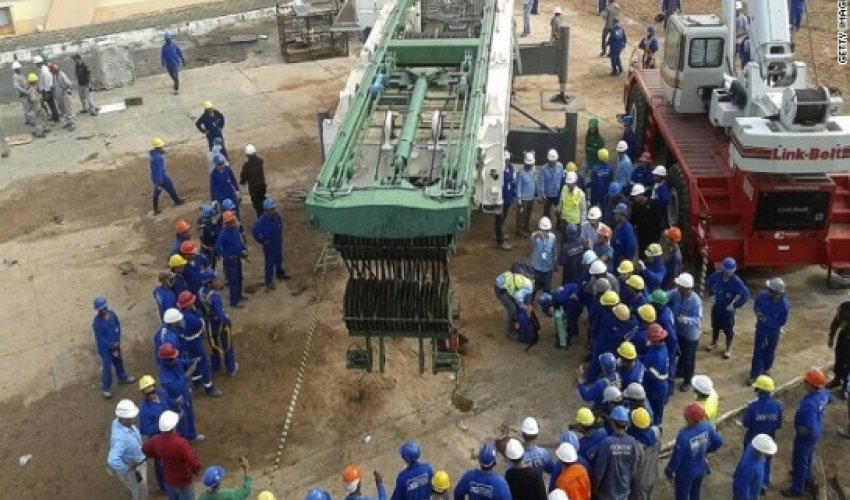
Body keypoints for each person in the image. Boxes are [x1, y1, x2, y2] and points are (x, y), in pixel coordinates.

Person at [781, 368, 832, 497]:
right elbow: (830, 400)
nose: (804, 382)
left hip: (807, 435)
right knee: (807, 456)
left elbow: (807, 427)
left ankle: (797, 489)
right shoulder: (823, 393)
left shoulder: (809, 403)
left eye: (806, 381)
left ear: (811, 385)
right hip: (817, 428)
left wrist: (800, 430)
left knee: (800, 459)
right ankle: (806, 476)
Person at [665, 403, 724, 500]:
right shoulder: (707, 427)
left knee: (682, 496)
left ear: (690, 418)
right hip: (700, 468)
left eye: (686, 413)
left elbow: (677, 458)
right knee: (695, 493)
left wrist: (669, 470)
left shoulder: (683, 436)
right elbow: (719, 441)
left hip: (685, 473)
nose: (684, 414)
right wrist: (705, 451)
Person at [142, 410, 202, 499]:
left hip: (168, 480)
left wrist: (157, 458)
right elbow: (193, 462)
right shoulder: (181, 443)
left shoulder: (155, 440)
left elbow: (145, 449)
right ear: (174, 426)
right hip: (183, 482)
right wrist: (194, 470)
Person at [177, 291, 222, 397]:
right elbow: (201, 324)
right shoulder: (192, 319)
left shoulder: (178, 316)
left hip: (184, 344)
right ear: (189, 305)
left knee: (191, 362)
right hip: (195, 343)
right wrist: (196, 312)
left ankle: (196, 381)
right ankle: (209, 389)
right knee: (203, 365)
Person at [589, 405, 640, 499]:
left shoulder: (606, 443)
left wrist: (594, 487)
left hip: (607, 493)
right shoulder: (633, 442)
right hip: (624, 491)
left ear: (612, 423)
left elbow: (600, 470)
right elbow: (633, 467)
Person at [742, 375, 783, 493]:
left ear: (758, 390)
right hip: (769, 440)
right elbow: (778, 425)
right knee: (766, 462)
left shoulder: (753, 407)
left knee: (750, 462)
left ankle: (751, 484)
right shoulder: (777, 407)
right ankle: (763, 483)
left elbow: (746, 424)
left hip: (752, 441)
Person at [157, 342, 204, 443]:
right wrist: (188, 373)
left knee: (190, 416)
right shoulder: (164, 375)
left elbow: (183, 363)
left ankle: (192, 436)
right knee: (182, 422)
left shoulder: (175, 361)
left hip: (185, 394)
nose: (176, 358)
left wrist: (192, 361)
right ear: (167, 360)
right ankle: (183, 442)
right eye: (173, 357)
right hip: (176, 401)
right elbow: (176, 387)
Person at [705, 257, 750, 359]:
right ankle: (714, 342)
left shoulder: (736, 282)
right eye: (726, 271)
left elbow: (745, 295)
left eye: (729, 272)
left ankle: (728, 348)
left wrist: (735, 305)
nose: (727, 273)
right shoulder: (717, 275)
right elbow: (710, 282)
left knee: (728, 330)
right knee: (715, 326)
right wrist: (712, 294)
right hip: (717, 307)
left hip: (727, 310)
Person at [92, 296, 135, 398]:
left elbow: (118, 326)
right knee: (107, 367)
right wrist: (111, 345)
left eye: (104, 308)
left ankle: (122, 377)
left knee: (119, 361)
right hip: (105, 349)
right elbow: (100, 339)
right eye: (101, 309)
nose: (103, 310)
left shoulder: (112, 314)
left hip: (116, 344)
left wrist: (117, 341)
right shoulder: (97, 323)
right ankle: (105, 388)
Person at [749, 278, 790, 384]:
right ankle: (754, 374)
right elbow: (756, 306)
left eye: (771, 290)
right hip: (761, 329)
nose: (769, 291)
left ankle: (766, 368)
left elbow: (782, 320)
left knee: (770, 350)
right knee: (758, 350)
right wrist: (758, 313)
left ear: (777, 292)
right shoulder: (762, 296)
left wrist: (769, 323)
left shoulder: (784, 305)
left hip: (773, 331)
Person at [138, 375, 173, 494]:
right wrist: (161, 423)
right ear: (143, 393)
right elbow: (146, 431)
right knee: (161, 464)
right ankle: (163, 487)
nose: (152, 394)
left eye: (153, 390)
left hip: (171, 431)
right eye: (148, 393)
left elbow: (169, 404)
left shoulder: (162, 394)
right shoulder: (143, 410)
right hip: (159, 438)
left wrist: (176, 404)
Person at [199, 270, 239, 376]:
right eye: (214, 280)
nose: (217, 282)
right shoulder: (214, 296)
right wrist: (228, 322)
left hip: (209, 323)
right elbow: (220, 315)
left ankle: (215, 368)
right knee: (227, 344)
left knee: (213, 345)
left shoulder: (200, 292)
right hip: (220, 323)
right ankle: (231, 368)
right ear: (209, 283)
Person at [668, 273, 702, 392]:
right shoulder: (676, 293)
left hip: (690, 335)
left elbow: (698, 319)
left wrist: (686, 320)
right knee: (680, 354)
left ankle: (688, 381)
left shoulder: (695, 301)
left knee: (689, 358)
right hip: (678, 331)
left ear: (686, 289)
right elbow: (666, 297)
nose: (677, 287)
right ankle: (680, 372)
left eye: (679, 286)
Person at [108, 399, 148, 500]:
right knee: (140, 492)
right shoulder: (121, 438)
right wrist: (126, 468)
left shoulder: (117, 422)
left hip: (137, 461)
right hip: (134, 470)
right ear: (124, 419)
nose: (135, 417)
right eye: (132, 416)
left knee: (136, 488)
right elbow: (112, 460)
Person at [252, 198, 289, 290]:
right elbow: (254, 232)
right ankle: (268, 281)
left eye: (274, 208)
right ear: (266, 211)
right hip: (269, 246)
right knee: (269, 263)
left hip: (277, 242)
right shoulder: (261, 222)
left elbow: (280, 225)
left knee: (279, 259)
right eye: (272, 209)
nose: (274, 211)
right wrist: (262, 241)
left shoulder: (276, 216)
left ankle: (279, 273)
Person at [215, 211, 248, 308]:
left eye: (233, 221)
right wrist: (227, 257)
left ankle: (239, 295)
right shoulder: (223, 234)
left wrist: (243, 250)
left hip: (238, 258)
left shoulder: (235, 229)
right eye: (230, 222)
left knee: (239, 277)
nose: (232, 223)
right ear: (226, 223)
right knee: (233, 281)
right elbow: (217, 248)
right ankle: (234, 302)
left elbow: (239, 241)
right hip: (230, 262)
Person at [628, 407, 659, 500]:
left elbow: (632, 470)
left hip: (639, 482)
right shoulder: (655, 435)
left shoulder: (635, 446)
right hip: (652, 474)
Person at [733, 435, 778, 500]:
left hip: (753, 489)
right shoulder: (750, 467)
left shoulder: (751, 447)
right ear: (761, 451)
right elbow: (743, 489)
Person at [641, 324, 670, 424]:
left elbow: (651, 375)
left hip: (656, 388)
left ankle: (657, 429)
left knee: (655, 412)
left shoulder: (658, 356)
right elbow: (647, 358)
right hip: (656, 386)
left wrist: (640, 372)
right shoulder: (659, 348)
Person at [494, 269, 534, 337]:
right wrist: (524, 307)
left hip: (505, 282)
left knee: (517, 305)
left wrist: (528, 304)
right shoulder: (529, 286)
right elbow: (518, 297)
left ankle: (514, 323)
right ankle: (509, 331)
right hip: (501, 289)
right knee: (512, 309)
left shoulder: (529, 282)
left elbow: (526, 297)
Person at [149, 137, 184, 214]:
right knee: (157, 191)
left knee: (170, 186)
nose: (162, 147)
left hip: (162, 174)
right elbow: (157, 170)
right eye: (161, 146)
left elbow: (157, 154)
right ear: (158, 147)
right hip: (159, 177)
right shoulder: (157, 158)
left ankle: (176, 200)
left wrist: (161, 152)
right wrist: (158, 182)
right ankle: (156, 210)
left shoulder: (154, 154)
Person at [629, 184, 660, 255]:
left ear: (641, 195)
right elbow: (632, 220)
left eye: (636, 196)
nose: (635, 198)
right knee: (642, 256)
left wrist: (656, 239)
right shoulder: (635, 206)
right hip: (641, 237)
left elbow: (658, 222)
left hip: (652, 237)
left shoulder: (652, 204)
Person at [531, 217, 558, 298]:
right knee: (533, 288)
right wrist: (537, 234)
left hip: (548, 269)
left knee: (547, 288)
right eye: (544, 230)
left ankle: (545, 305)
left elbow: (554, 250)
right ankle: (530, 303)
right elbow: (532, 237)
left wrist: (555, 262)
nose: (546, 232)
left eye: (547, 230)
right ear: (540, 229)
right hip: (536, 268)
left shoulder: (552, 237)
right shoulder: (535, 237)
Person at [496, 151, 516, 251]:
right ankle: (500, 240)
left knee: (504, 217)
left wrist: (513, 196)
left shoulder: (511, 168)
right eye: (505, 160)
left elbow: (512, 182)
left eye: (508, 160)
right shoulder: (498, 170)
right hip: (500, 198)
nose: (506, 162)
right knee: (498, 219)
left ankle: (501, 233)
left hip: (508, 197)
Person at [829, 297, 850, 390]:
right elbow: (835, 323)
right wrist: (831, 338)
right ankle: (837, 380)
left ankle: (845, 387)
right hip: (843, 339)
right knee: (839, 361)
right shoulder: (844, 307)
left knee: (848, 365)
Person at [240, 144, 267, 218]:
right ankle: (266, 212)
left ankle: (261, 217)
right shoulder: (260, 161)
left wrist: (242, 182)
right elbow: (259, 160)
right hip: (262, 186)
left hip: (253, 189)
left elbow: (243, 178)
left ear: (247, 155)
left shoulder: (246, 166)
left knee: (257, 205)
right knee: (262, 199)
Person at [538, 149, 564, 221]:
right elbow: (542, 182)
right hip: (547, 194)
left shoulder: (560, 166)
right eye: (551, 161)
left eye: (554, 161)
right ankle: (545, 225)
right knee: (546, 212)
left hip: (557, 193)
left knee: (559, 211)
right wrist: (542, 194)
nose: (553, 162)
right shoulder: (544, 168)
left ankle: (559, 225)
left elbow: (562, 178)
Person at [49, 63, 75, 130]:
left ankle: (73, 124)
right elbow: (55, 85)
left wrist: (66, 90)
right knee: (63, 110)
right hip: (59, 95)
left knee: (69, 109)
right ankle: (68, 122)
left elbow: (69, 84)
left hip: (65, 94)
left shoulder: (62, 75)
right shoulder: (55, 76)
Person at [516, 152, 537, 235]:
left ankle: (526, 226)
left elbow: (534, 182)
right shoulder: (520, 172)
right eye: (529, 164)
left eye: (531, 164)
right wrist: (519, 198)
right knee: (521, 214)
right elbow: (518, 185)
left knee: (528, 213)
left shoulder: (533, 170)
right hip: (523, 198)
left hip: (531, 197)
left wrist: (536, 192)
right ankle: (519, 229)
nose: (530, 165)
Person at [34, 56, 60, 121]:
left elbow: (47, 82)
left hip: (47, 90)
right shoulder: (43, 69)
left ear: (38, 63)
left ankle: (56, 117)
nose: (36, 65)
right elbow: (41, 81)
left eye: (36, 64)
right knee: (50, 104)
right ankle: (54, 116)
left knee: (52, 104)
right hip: (46, 90)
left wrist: (46, 92)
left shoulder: (44, 71)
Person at [23, 72, 48, 137]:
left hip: (36, 106)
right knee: (39, 120)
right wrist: (40, 96)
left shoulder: (31, 89)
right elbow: (33, 99)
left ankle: (41, 130)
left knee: (43, 117)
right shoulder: (32, 90)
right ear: (34, 81)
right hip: (36, 107)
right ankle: (39, 133)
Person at [197, 204, 221, 271]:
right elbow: (214, 235)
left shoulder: (201, 221)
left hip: (207, 246)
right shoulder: (206, 227)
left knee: (209, 263)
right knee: (209, 265)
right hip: (208, 248)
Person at [12, 61, 32, 125]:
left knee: (28, 106)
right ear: (16, 69)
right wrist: (25, 91)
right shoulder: (15, 76)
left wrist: (28, 87)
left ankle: (28, 119)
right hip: (22, 94)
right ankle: (28, 120)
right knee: (26, 107)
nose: (20, 69)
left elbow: (24, 82)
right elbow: (17, 86)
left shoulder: (20, 74)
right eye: (19, 68)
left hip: (25, 92)